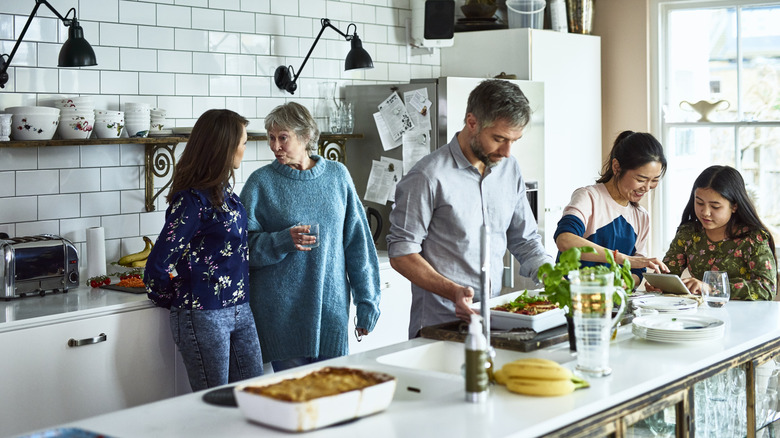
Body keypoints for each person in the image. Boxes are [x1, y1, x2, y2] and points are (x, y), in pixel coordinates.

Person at [387, 79, 554, 339]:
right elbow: (401, 253)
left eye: (514, 140)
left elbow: (526, 240)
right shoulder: (427, 176)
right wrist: (453, 291)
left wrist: (554, 276)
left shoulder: (509, 169)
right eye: (499, 138)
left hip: (493, 320)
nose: (507, 151)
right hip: (440, 325)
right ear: (472, 122)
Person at [240, 102, 381, 372]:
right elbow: (240, 250)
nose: (275, 146)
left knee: (333, 400)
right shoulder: (260, 183)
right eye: (271, 137)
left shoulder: (338, 176)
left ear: (305, 137)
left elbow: (358, 245)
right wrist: (281, 241)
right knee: (295, 401)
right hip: (281, 318)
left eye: (283, 138)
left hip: (332, 313)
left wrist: (368, 301)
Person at [144, 109, 263, 391]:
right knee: (215, 405)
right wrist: (176, 298)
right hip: (203, 316)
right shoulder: (191, 202)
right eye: (243, 142)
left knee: (256, 396)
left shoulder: (227, 196)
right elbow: (156, 268)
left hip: (241, 309)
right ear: (225, 146)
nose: (245, 149)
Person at [554, 131, 670, 286]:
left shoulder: (641, 217)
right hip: (574, 297)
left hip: (613, 302)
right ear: (616, 167)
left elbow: (636, 271)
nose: (647, 188)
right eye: (641, 179)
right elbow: (564, 239)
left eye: (654, 180)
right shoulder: (589, 197)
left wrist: (618, 286)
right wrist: (621, 258)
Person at [651, 165, 777, 300]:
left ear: (734, 206)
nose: (705, 212)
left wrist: (710, 288)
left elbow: (766, 288)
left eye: (715, 206)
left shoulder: (752, 238)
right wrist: (658, 284)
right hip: (700, 314)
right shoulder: (688, 233)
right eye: (699, 203)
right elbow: (668, 274)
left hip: (743, 316)